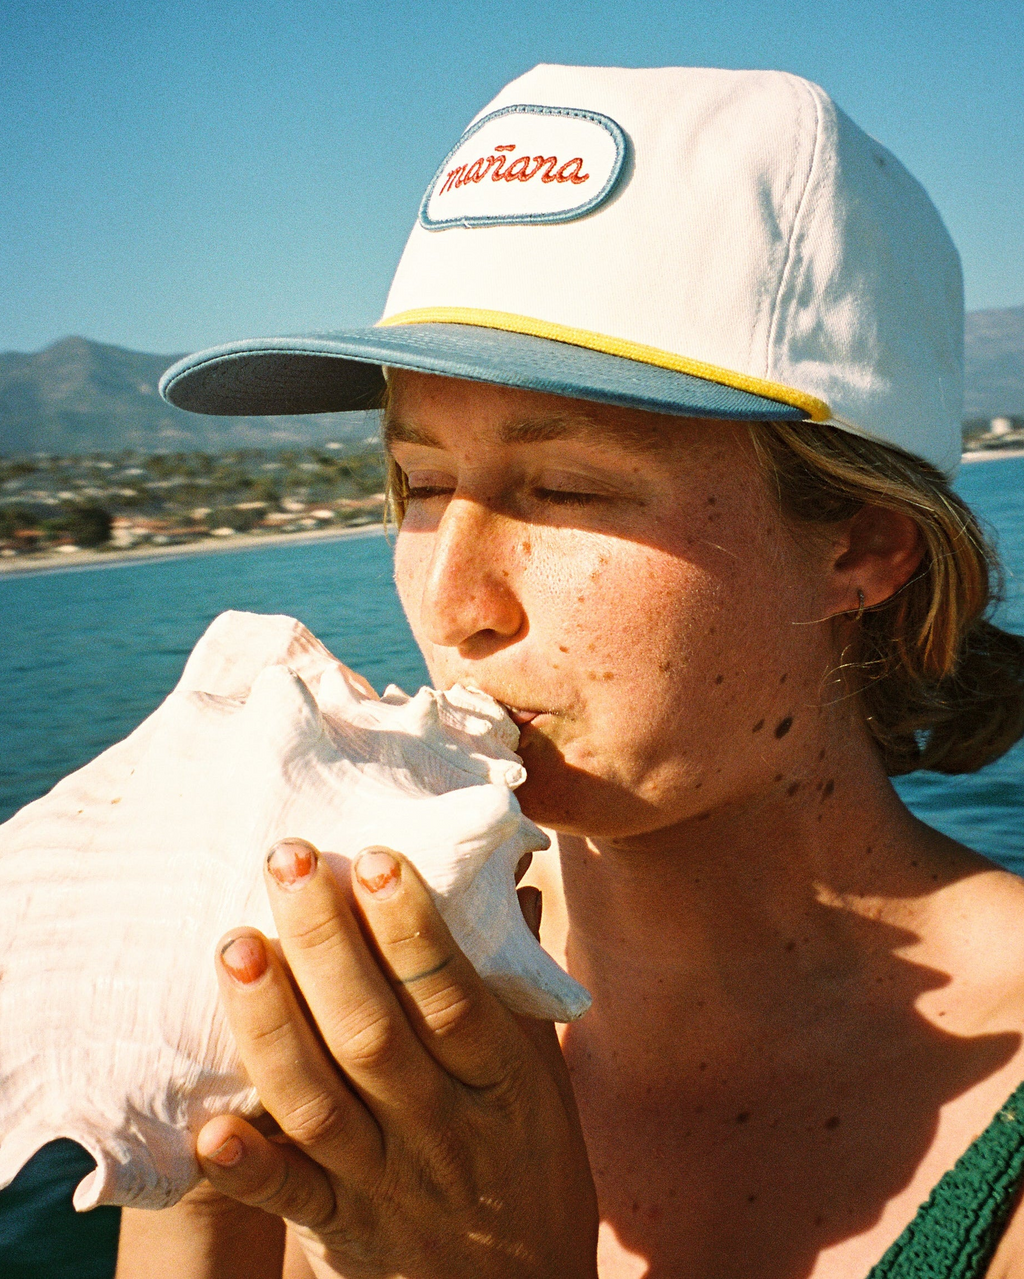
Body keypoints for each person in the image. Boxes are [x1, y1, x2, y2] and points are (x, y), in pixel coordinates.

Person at [117, 65, 1024, 1278]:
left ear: (860, 545)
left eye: (564, 488)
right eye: (423, 485)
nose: (455, 604)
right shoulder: (308, 1040)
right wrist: (171, 1131)